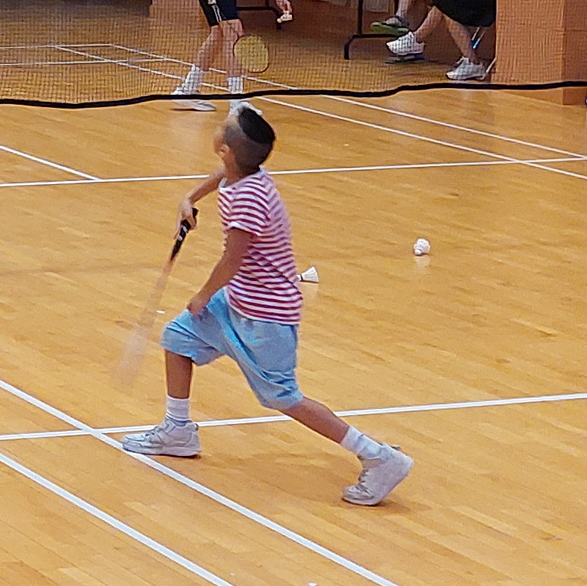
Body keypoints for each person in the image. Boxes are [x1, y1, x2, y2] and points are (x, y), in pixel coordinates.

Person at [117, 107, 413, 506]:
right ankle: (177, 430)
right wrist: (189, 197)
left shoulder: (248, 201)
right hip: (238, 300)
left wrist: (203, 295)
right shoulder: (244, 173)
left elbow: (232, 258)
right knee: (178, 338)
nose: (219, 127)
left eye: (223, 128)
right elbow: (222, 176)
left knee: (282, 396)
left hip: (265, 316)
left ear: (224, 149)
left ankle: (379, 457)